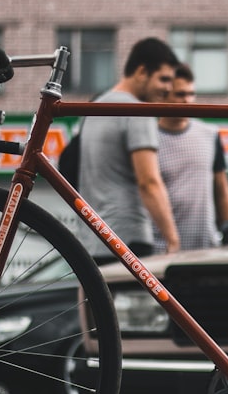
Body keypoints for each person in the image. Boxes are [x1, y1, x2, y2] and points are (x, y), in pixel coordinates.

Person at [78, 37, 181, 263]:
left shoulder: (94, 109)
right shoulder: (136, 111)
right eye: (164, 79)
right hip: (127, 238)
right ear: (142, 71)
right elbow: (149, 182)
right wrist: (173, 240)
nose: (168, 89)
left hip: (92, 240)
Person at [152, 64, 228, 252]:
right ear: (164, 96)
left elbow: (221, 188)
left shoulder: (209, 134)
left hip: (206, 246)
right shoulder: (147, 139)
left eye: (191, 94)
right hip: (161, 249)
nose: (188, 100)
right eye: (180, 95)